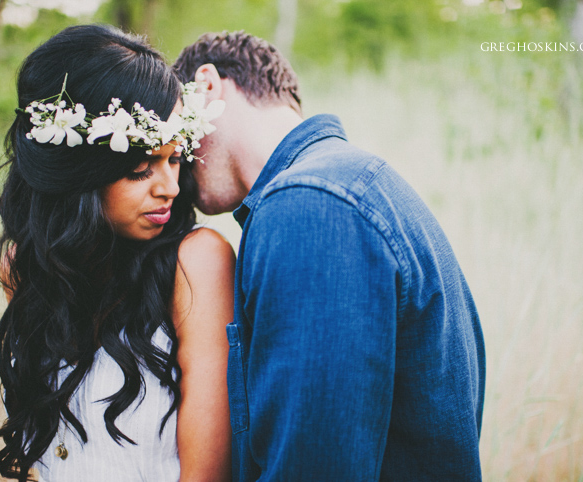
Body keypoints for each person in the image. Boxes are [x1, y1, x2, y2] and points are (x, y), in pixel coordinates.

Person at [174, 31, 486, 481]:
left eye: (179, 129)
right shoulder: (352, 183)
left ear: (206, 85)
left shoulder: (308, 204)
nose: (176, 160)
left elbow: (312, 467)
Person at [0, 25, 233, 482]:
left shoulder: (195, 263)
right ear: (82, 170)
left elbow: (206, 474)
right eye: (141, 168)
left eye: (175, 159)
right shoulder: (23, 270)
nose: (170, 188)